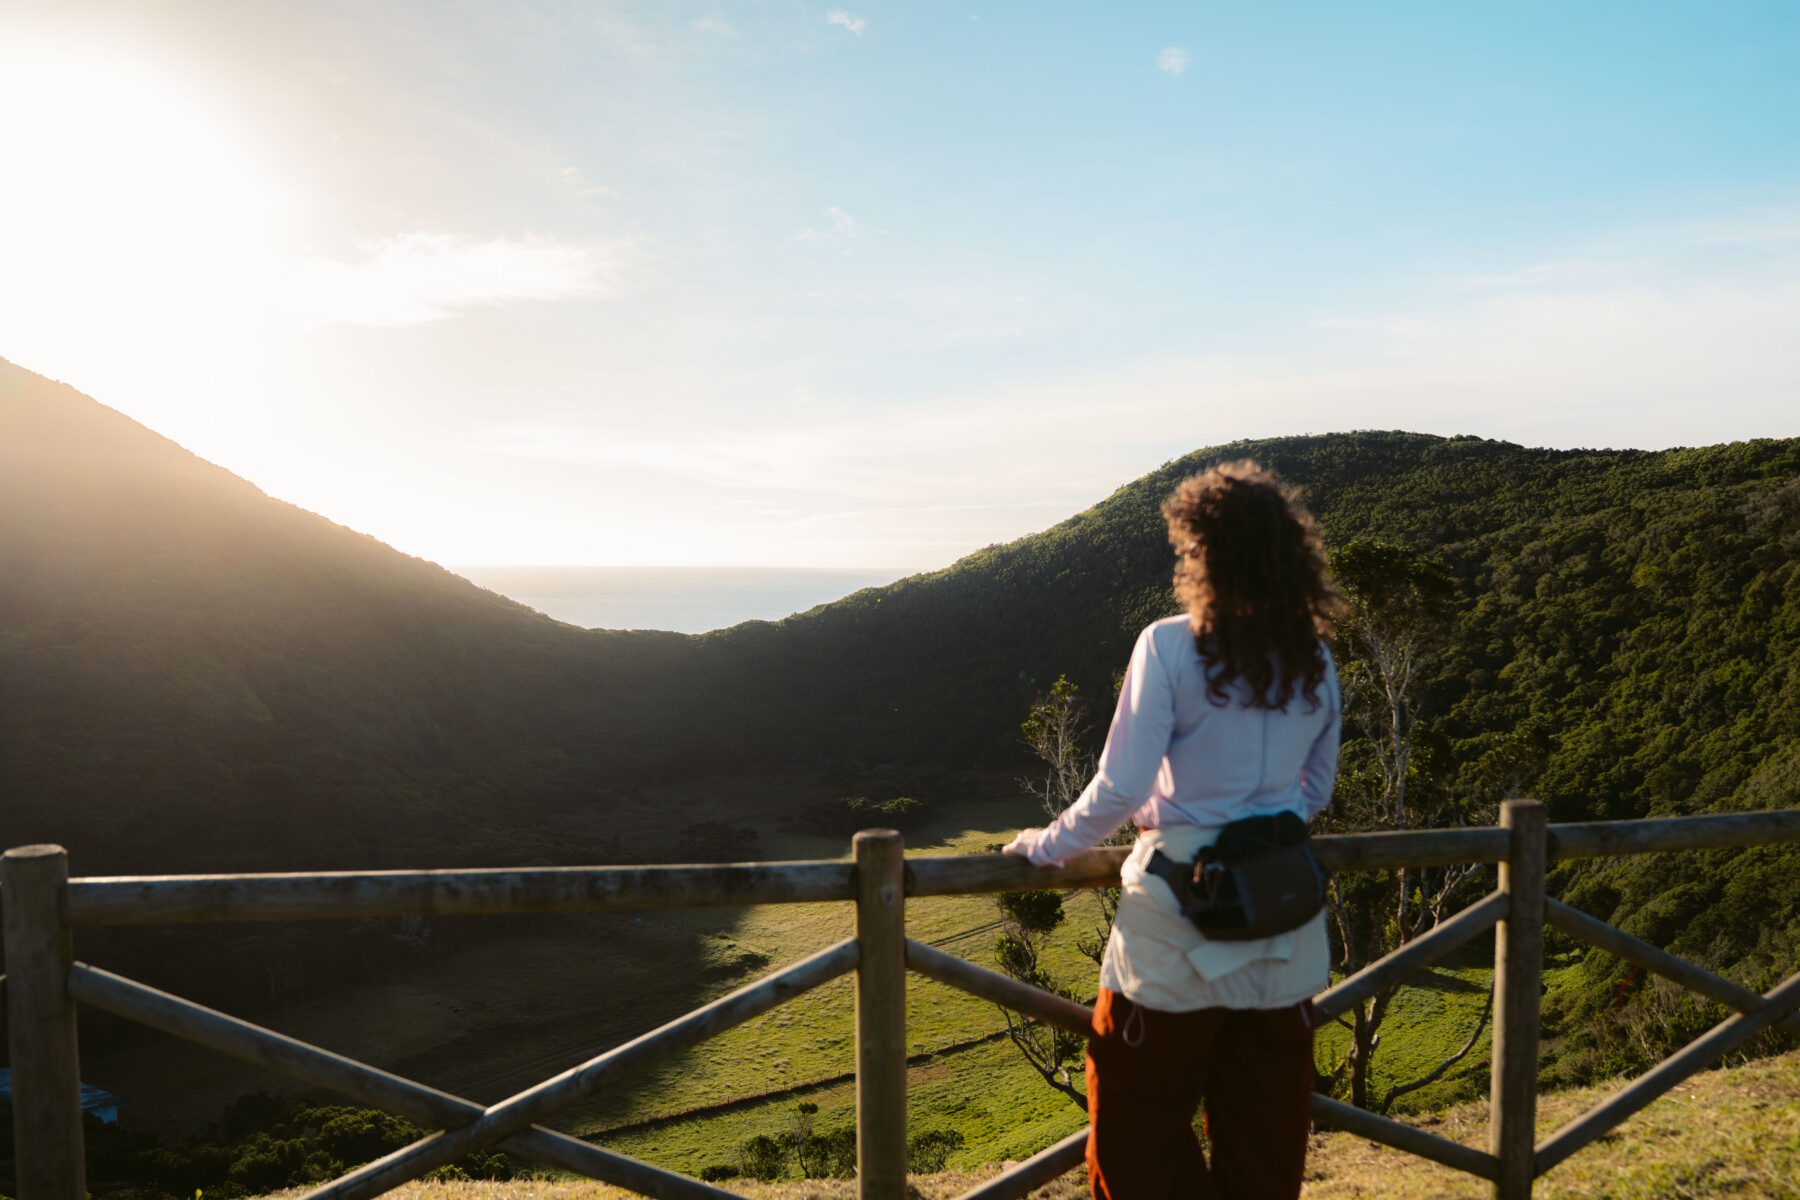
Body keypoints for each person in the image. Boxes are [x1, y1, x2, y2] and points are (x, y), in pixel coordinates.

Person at [1002, 459, 1342, 1200]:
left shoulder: (1168, 645)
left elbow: (1122, 788)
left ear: (1201, 554)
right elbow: (1314, 791)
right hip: (1282, 922)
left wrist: (1045, 847)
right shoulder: (1313, 658)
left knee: (1136, 1128)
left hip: (1177, 917)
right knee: (1265, 1140)